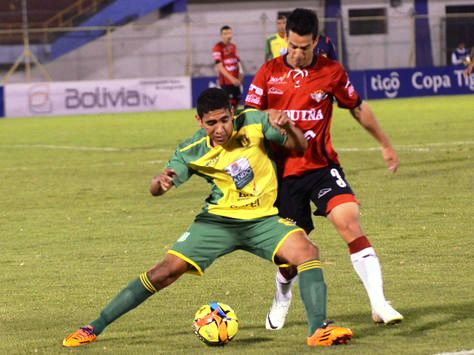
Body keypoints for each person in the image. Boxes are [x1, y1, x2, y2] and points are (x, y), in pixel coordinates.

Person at [62, 88, 353, 348]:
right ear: (199, 122)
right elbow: (157, 187)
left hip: (263, 219)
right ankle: (93, 327)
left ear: (232, 113)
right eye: (211, 123)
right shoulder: (192, 150)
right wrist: (158, 182)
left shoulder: (254, 121)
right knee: (162, 272)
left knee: (306, 251)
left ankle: (318, 331)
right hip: (218, 222)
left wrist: (288, 124)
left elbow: (300, 146)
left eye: (224, 120)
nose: (220, 128)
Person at [244, 8, 403, 331]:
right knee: (291, 258)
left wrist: (385, 143)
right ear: (284, 40)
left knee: (349, 221)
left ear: (316, 41)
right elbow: (247, 119)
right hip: (283, 175)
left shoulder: (331, 71)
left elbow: (357, 107)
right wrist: (265, 119)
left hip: (321, 166)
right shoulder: (268, 73)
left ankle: (379, 303)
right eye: (293, 46)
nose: (298, 54)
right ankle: (282, 296)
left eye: (305, 47)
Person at [212, 25, 243, 110]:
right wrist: (232, 79)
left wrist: (240, 77)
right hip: (226, 82)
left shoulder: (233, 46)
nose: (227, 35)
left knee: (237, 102)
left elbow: (238, 63)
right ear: (221, 35)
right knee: (228, 105)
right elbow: (219, 66)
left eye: (229, 33)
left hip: (236, 81)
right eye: (225, 33)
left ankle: (233, 122)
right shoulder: (217, 47)